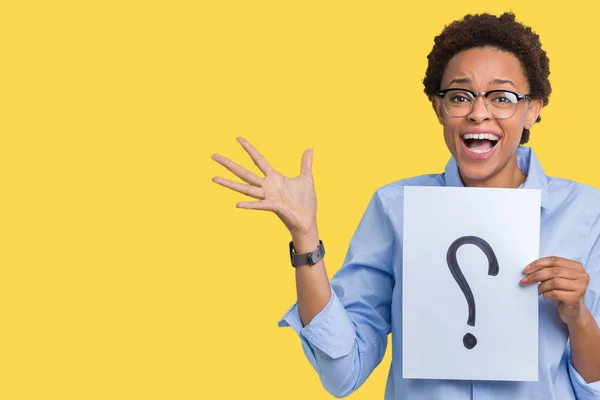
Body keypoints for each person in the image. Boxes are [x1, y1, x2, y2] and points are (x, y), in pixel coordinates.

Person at [211, 12, 600, 399]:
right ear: (438, 108)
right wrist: (305, 237)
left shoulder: (586, 214)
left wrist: (579, 319)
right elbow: (343, 373)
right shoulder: (396, 209)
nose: (479, 113)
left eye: (502, 98)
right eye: (460, 97)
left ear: (533, 108)